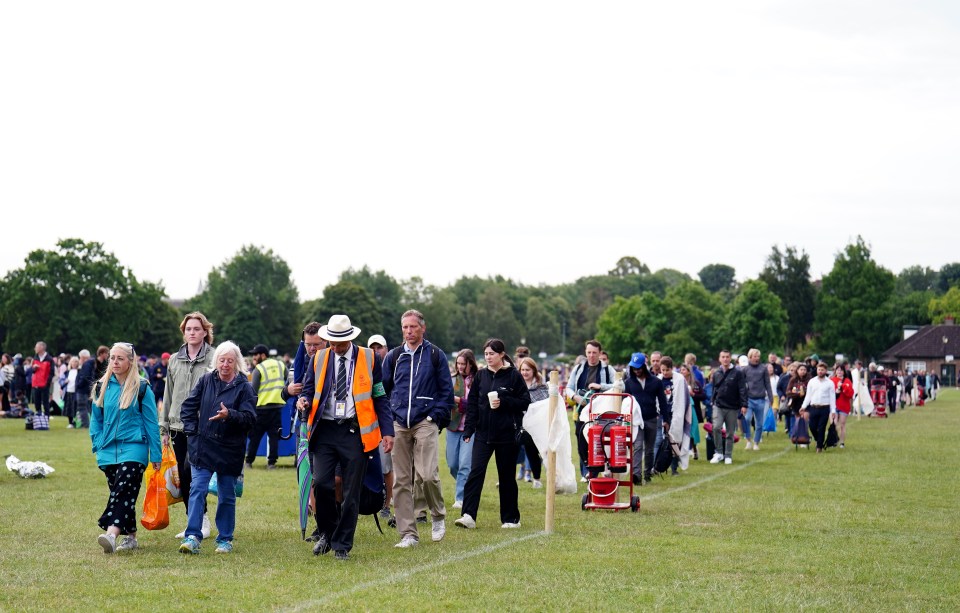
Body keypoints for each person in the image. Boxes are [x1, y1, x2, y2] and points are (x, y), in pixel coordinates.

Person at [297, 315, 394, 560]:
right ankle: (327, 534)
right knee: (321, 484)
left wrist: (388, 431)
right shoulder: (319, 358)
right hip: (324, 430)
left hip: (355, 432)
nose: (335, 347)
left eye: (340, 343)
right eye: (331, 342)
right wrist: (304, 400)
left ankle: (342, 545)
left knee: (352, 491)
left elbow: (379, 397)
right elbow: (309, 388)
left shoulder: (370, 358)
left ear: (350, 339)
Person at [381, 309, 453, 548]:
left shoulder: (435, 355)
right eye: (404, 327)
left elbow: (446, 393)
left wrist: (435, 417)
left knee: (427, 475)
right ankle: (408, 534)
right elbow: (384, 390)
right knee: (401, 481)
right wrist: (389, 418)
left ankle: (438, 516)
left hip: (425, 421)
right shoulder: (393, 356)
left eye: (412, 327)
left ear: (423, 328)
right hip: (399, 423)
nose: (408, 331)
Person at [178, 341, 257, 554]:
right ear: (216, 361)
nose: (225, 364)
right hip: (203, 447)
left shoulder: (244, 387)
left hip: (230, 450)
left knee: (226, 495)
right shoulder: (206, 380)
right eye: (222, 360)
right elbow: (187, 408)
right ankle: (192, 536)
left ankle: (225, 539)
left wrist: (230, 415)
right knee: (197, 489)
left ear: (237, 363)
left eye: (230, 360)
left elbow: (250, 419)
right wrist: (192, 432)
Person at [90, 342, 162, 553]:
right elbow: (96, 420)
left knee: (122, 490)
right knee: (122, 492)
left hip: (134, 448)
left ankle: (111, 534)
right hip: (108, 450)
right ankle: (130, 537)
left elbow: (151, 423)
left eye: (120, 358)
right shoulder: (100, 386)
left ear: (131, 362)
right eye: (112, 358)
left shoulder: (142, 387)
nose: (115, 362)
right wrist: (97, 443)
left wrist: (155, 454)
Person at [455, 339, 531, 530]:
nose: (488, 357)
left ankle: (511, 519)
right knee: (475, 473)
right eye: (486, 354)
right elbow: (472, 404)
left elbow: (524, 402)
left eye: (492, 354)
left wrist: (504, 401)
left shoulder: (514, 375)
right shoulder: (481, 376)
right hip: (482, 434)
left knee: (506, 477)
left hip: (507, 435)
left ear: (501, 355)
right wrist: (469, 429)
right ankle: (468, 515)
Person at [162, 312, 216, 539]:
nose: (192, 333)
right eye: (188, 329)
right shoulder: (175, 359)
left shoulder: (214, 357)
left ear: (205, 332)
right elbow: (168, 394)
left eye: (196, 329)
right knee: (183, 477)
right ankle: (192, 520)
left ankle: (201, 519)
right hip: (177, 425)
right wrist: (164, 426)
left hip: (203, 426)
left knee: (192, 471)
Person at [564, 340, 617, 480]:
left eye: (594, 352)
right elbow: (568, 387)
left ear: (600, 353)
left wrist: (601, 386)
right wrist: (575, 396)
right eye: (589, 352)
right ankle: (589, 466)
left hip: (602, 410)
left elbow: (619, 386)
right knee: (581, 437)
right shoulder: (578, 369)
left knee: (600, 439)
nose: (591, 355)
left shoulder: (608, 369)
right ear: (585, 352)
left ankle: (601, 468)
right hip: (582, 410)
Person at [624, 353, 668, 483]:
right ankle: (636, 475)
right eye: (634, 368)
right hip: (636, 420)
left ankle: (647, 473)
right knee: (637, 446)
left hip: (651, 418)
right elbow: (626, 401)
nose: (636, 370)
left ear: (644, 366)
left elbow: (663, 401)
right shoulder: (628, 383)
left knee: (649, 449)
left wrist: (666, 420)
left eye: (639, 368)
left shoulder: (656, 382)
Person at [366, 334, 396, 524]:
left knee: (386, 466)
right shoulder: (364, 367)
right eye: (373, 348)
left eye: (380, 347)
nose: (377, 351)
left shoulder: (392, 367)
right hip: (367, 423)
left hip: (385, 421)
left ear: (386, 349)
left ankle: (386, 504)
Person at [245, 343, 286, 470]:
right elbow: (285, 381)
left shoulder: (259, 369)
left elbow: (253, 390)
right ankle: (271, 463)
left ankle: (249, 462)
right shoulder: (281, 365)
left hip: (261, 409)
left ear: (263, 355)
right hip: (277, 407)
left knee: (255, 437)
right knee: (274, 437)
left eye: (255, 355)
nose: (254, 358)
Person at [449, 349, 478, 508]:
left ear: (470, 363)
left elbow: (476, 405)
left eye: (463, 364)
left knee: (465, 464)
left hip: (470, 428)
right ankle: (465, 483)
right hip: (453, 426)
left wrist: (460, 401)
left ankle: (460, 498)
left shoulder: (478, 380)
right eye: (458, 363)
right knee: (453, 464)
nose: (460, 367)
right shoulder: (452, 380)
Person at [709, 349, 747, 465]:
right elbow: (714, 389)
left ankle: (728, 455)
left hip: (732, 406)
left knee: (730, 432)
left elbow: (742, 389)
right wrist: (712, 401)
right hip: (718, 405)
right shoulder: (716, 373)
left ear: (730, 358)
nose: (725, 359)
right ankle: (719, 452)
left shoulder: (738, 373)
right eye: (723, 357)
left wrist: (744, 404)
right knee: (716, 427)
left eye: (727, 357)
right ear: (719, 359)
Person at [518, 357, 548, 488]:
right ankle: (506, 477)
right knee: (511, 449)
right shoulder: (517, 385)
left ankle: (536, 478)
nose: (524, 373)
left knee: (534, 452)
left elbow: (546, 404)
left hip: (537, 425)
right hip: (520, 424)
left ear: (534, 371)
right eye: (522, 370)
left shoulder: (541, 386)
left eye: (527, 370)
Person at [741, 348, 774, 451]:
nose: (757, 358)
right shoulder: (745, 370)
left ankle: (756, 442)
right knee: (746, 419)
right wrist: (742, 399)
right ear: (750, 357)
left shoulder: (763, 368)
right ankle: (748, 440)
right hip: (749, 399)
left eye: (758, 356)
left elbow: (767, 383)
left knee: (759, 423)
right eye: (755, 356)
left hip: (760, 399)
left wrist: (771, 396)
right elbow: (741, 386)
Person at [800, 362, 836, 453]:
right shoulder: (812, 381)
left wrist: (833, 410)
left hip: (825, 408)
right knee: (812, 426)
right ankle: (818, 439)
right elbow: (808, 396)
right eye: (819, 370)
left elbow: (832, 398)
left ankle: (819, 447)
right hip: (813, 407)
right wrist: (803, 407)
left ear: (825, 371)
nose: (820, 371)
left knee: (822, 427)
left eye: (822, 370)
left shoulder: (830, 383)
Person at [830, 364, 854, 448]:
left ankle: (842, 442)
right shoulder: (832, 380)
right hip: (834, 405)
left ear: (844, 372)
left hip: (844, 406)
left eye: (841, 370)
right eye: (838, 370)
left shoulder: (847, 381)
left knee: (842, 424)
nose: (839, 372)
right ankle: (834, 440)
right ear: (835, 371)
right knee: (833, 423)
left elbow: (850, 394)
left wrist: (843, 387)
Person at [32, 341, 55, 416]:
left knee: (45, 403)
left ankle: (46, 419)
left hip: (45, 384)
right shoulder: (35, 357)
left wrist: (47, 383)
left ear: (42, 348)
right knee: (37, 402)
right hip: (36, 383)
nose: (35, 348)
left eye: (36, 347)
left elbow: (51, 372)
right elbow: (32, 371)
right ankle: (38, 419)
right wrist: (34, 368)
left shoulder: (49, 359)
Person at [63, 356, 80, 428]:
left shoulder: (79, 371)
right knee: (68, 408)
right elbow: (62, 381)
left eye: (76, 361)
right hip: (68, 391)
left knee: (75, 408)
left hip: (75, 392)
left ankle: (75, 422)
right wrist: (64, 382)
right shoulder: (67, 372)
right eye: (73, 361)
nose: (74, 363)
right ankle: (70, 422)